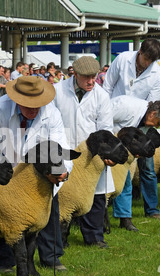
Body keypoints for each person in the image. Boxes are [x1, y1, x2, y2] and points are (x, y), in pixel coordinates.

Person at [0, 76, 71, 271]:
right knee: (5, 216)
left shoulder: (52, 114)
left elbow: (61, 147)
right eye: (28, 105)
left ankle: (52, 257)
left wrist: (61, 172)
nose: (33, 109)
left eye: (37, 105)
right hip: (7, 171)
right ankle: (5, 262)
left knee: (48, 213)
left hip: (41, 176)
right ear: (17, 100)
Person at [53, 56, 114, 248]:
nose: (91, 81)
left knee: (95, 194)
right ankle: (61, 237)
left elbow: (105, 128)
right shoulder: (57, 91)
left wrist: (106, 154)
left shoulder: (101, 96)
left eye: (94, 76)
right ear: (75, 74)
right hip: (65, 149)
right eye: (86, 77)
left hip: (91, 154)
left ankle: (94, 236)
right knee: (62, 195)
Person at [103, 38, 160, 219]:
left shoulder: (157, 74)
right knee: (109, 164)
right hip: (115, 118)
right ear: (140, 52)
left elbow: (154, 104)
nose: (148, 64)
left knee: (147, 165)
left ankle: (152, 209)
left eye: (152, 61)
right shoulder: (122, 59)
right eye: (146, 59)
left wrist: (140, 134)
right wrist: (105, 112)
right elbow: (107, 86)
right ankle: (107, 208)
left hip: (140, 123)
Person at [111, 96, 160, 231]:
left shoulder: (145, 122)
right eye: (158, 122)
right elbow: (102, 118)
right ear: (153, 114)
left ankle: (125, 219)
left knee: (126, 181)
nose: (157, 126)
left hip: (122, 152)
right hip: (107, 145)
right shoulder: (126, 106)